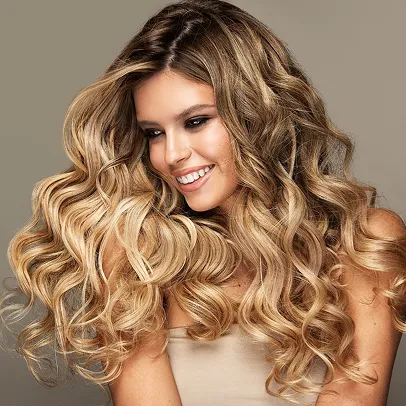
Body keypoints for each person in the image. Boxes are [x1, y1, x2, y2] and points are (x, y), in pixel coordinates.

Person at [1, 0, 405, 405]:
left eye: (196, 122)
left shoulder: (365, 244)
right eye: (154, 133)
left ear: (256, 112)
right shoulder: (137, 253)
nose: (171, 154)